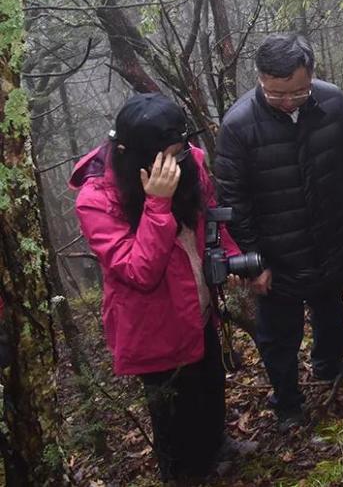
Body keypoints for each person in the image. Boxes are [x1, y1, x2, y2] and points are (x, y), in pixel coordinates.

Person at [71, 93, 255, 482]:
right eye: (165, 156)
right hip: (154, 324)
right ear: (131, 153)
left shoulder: (191, 162)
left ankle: (218, 446)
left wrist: (229, 257)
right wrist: (157, 204)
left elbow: (209, 216)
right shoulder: (97, 199)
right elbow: (138, 270)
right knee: (174, 414)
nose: (176, 163)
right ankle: (187, 473)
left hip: (198, 304)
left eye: (180, 152)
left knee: (209, 382)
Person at [214, 34, 343, 430]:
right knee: (280, 333)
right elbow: (233, 200)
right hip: (276, 252)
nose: (287, 101)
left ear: (311, 77)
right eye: (276, 93)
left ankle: (330, 364)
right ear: (261, 78)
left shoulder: (332, 102)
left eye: (298, 93)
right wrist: (252, 261)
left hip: (328, 234)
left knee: (331, 306)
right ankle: (287, 400)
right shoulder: (238, 125)